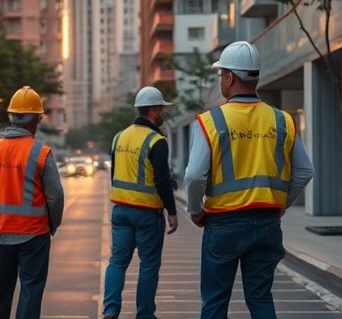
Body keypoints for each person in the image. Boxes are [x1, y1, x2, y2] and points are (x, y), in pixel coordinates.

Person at [184, 41, 314, 319]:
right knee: (260, 299)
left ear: (230, 77)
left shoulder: (210, 121)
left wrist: (196, 212)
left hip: (224, 224)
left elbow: (194, 175)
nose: (221, 79)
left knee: (216, 303)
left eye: (221, 74)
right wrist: (280, 206)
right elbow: (304, 172)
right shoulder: (283, 120)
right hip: (267, 223)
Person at [0, 86, 65, 319]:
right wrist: (53, 224)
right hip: (33, 235)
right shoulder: (41, 153)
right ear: (35, 121)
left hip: (0, 232)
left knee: (0, 290)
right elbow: (56, 195)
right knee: (30, 290)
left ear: (12, 118)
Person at [102, 86, 179, 319]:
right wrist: (172, 212)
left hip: (120, 212)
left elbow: (116, 174)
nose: (163, 114)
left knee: (117, 262)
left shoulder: (119, 137)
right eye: (162, 109)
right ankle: (144, 315)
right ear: (154, 110)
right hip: (146, 213)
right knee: (148, 266)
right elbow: (162, 180)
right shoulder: (156, 140)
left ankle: (110, 311)